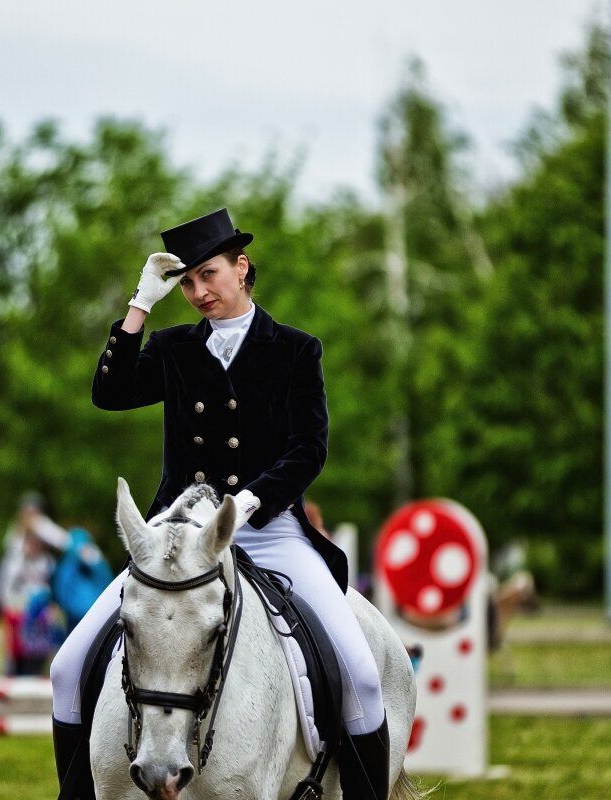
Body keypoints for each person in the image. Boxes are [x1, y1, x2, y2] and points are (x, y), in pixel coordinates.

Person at [50, 208, 391, 800]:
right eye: (186, 283)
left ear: (241, 266)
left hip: (270, 530)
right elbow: (110, 393)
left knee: (361, 674)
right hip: (176, 537)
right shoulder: (174, 347)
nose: (198, 292)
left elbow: (311, 448)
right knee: (66, 667)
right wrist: (139, 306)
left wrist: (252, 500)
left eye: (207, 276)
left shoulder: (295, 350)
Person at [0, 494, 70, 675]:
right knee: (15, 657)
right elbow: (5, 586)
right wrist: (11, 607)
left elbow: (63, 541)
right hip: (18, 612)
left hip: (39, 616)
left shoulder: (47, 561)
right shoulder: (15, 553)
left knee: (40, 654)